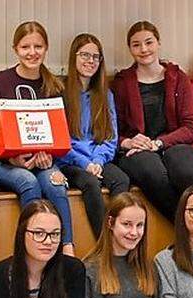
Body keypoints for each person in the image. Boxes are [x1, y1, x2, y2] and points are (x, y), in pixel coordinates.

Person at [0, 21, 76, 256]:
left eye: (38, 46)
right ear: (15, 49)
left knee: (55, 183)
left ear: (46, 48)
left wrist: (49, 156)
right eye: (26, 47)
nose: (32, 52)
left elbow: (60, 135)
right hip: (4, 161)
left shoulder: (55, 85)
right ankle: (30, 249)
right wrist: (12, 158)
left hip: (43, 160)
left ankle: (67, 249)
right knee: (28, 181)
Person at [112, 21, 193, 221]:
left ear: (158, 43)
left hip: (175, 143)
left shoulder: (178, 77)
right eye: (136, 45)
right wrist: (127, 142)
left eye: (148, 42)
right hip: (137, 150)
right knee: (152, 172)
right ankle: (185, 225)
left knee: (186, 170)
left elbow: (190, 127)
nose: (143, 49)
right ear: (130, 49)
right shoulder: (122, 82)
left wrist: (159, 143)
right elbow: (112, 130)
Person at [60, 33, 131, 239]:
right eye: (84, 55)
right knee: (90, 183)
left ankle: (120, 236)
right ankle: (104, 243)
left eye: (96, 57)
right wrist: (85, 163)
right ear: (74, 57)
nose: (90, 61)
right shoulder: (60, 92)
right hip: (70, 161)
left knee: (121, 180)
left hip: (98, 158)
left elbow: (111, 137)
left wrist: (98, 160)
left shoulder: (105, 95)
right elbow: (61, 140)